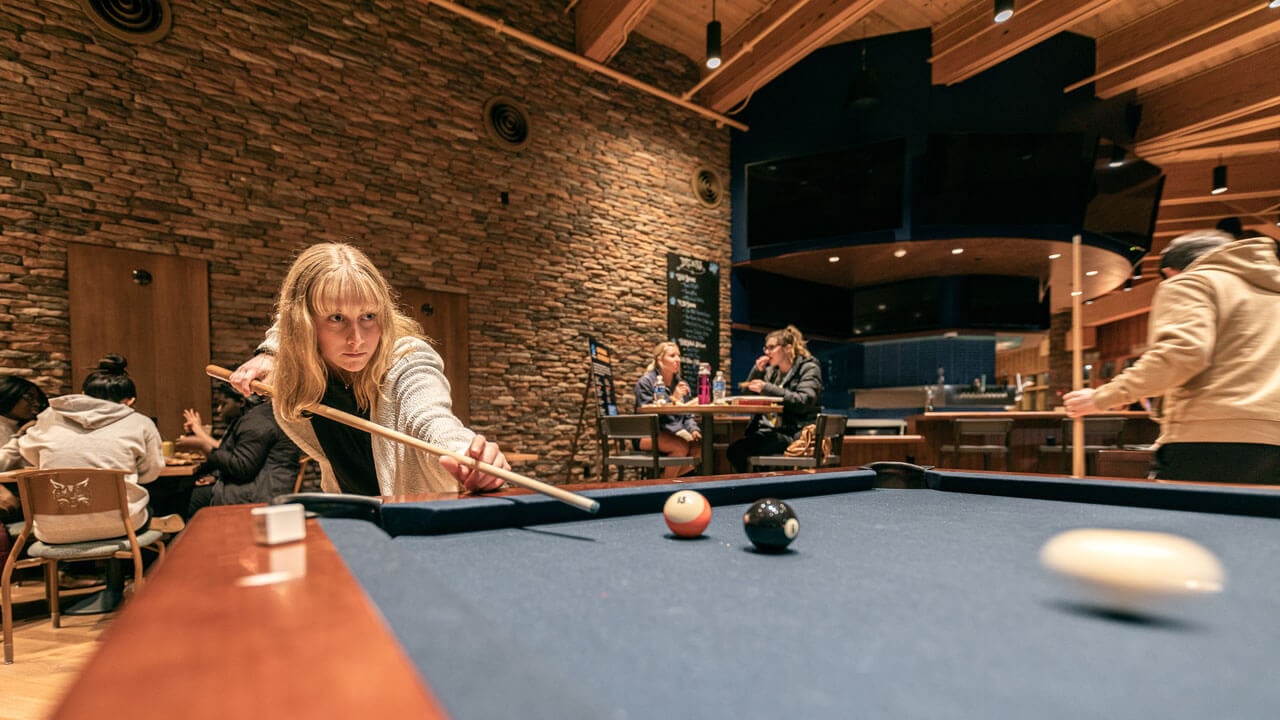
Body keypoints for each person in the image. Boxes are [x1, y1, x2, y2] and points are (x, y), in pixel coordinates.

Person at [228, 243, 508, 496]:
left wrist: (465, 452)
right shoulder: (301, 370)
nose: (357, 339)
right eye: (337, 318)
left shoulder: (407, 360)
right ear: (305, 324)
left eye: (368, 316)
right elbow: (286, 321)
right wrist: (270, 353)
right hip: (353, 518)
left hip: (419, 520)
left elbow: (429, 416)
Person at [1063, 229, 1280, 483]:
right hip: (1273, 440)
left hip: (1209, 439)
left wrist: (1101, 397)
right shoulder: (1273, 295)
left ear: (1170, 271)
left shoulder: (1192, 281)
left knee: (1180, 522)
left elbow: (1181, 353)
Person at [14, 354, 172, 543]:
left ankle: (73, 568)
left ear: (82, 394)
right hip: (122, 525)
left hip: (52, 530)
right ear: (129, 400)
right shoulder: (140, 422)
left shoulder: (49, 417)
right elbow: (151, 474)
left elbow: (28, 452)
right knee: (153, 503)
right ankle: (139, 569)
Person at [181, 384, 302, 516]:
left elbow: (242, 467)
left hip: (259, 497)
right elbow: (246, 458)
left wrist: (203, 446)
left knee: (189, 497)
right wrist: (216, 476)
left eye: (223, 404)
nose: (219, 409)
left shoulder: (258, 421)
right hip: (262, 490)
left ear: (241, 402)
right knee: (191, 492)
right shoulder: (259, 416)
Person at [727, 325, 824, 472]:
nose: (767, 352)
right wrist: (757, 372)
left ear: (788, 348)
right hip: (771, 431)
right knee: (736, 450)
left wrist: (767, 388)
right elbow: (747, 395)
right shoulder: (772, 372)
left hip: (795, 433)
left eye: (772, 347)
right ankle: (761, 486)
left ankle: (760, 488)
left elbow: (804, 401)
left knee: (739, 451)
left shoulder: (808, 368)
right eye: (765, 348)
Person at [633, 341, 701, 478]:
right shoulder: (646, 382)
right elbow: (647, 411)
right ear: (660, 359)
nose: (677, 359)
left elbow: (687, 414)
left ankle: (661, 481)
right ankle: (664, 487)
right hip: (648, 434)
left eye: (679, 356)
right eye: (672, 355)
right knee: (680, 447)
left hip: (674, 432)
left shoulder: (681, 384)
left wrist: (693, 429)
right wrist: (673, 399)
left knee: (699, 448)